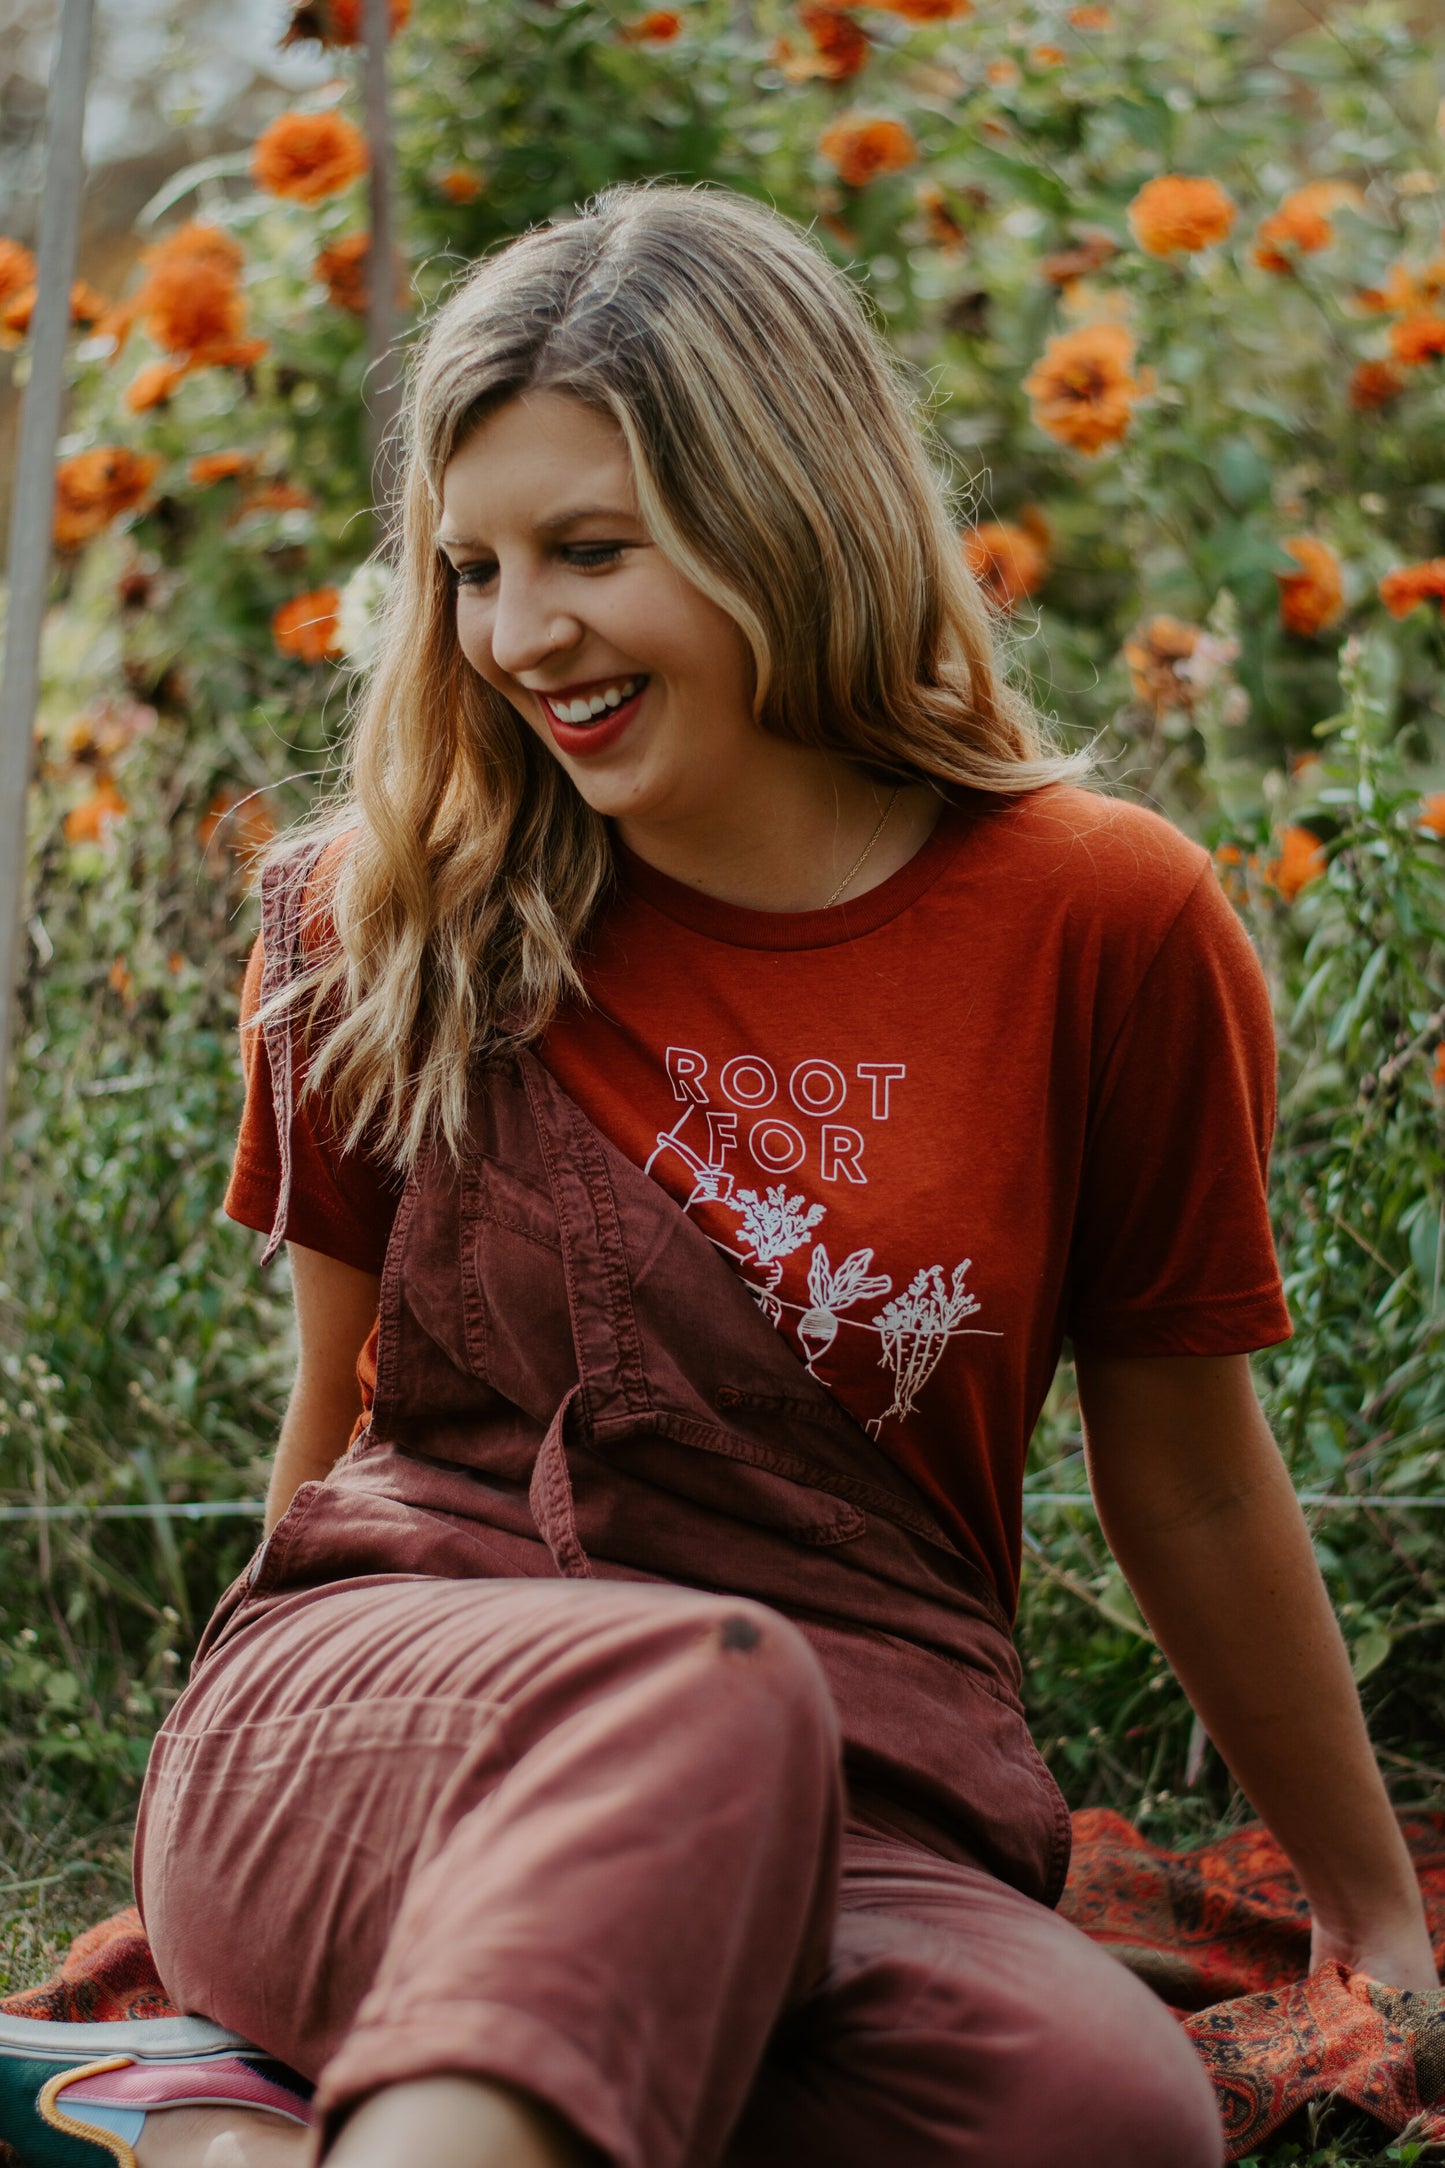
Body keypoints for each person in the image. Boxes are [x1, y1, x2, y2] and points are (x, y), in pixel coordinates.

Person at [45, 184, 1444, 2168]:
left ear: (785, 514)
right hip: (395, 1717)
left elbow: (1194, 1467)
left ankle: (248, 2135)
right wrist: (265, 1819)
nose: (520, 636)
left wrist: (1374, 1915)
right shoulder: (384, 916)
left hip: (870, 1790)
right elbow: (332, 1433)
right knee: (709, 1687)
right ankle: (304, 2065)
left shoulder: (1101, 923)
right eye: (471, 566)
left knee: (1104, 2113)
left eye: (591, 552)